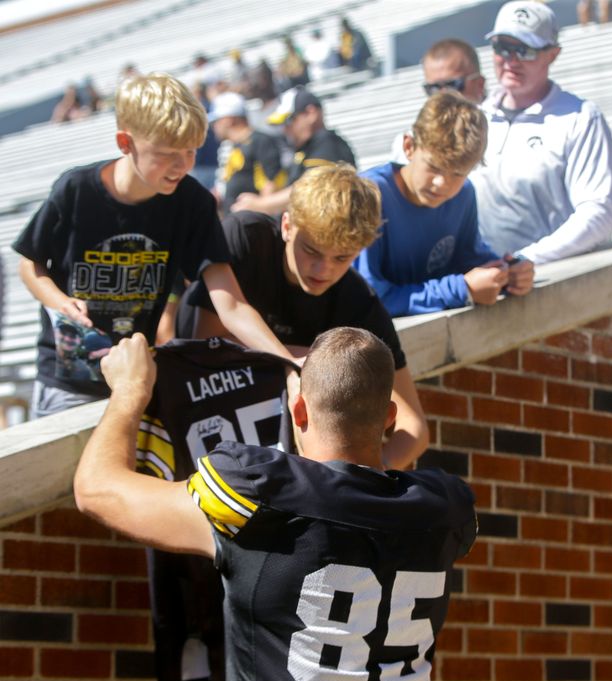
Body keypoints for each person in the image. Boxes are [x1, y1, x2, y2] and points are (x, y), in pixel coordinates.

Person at [74, 326, 477, 681]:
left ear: (298, 409)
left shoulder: (259, 497)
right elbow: (394, 446)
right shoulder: (443, 510)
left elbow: (96, 489)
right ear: (387, 417)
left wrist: (130, 389)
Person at [13, 72, 296, 417]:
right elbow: (29, 264)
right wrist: (60, 303)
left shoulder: (193, 203)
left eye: (191, 151)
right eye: (165, 153)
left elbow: (231, 304)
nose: (181, 165)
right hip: (70, 379)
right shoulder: (75, 190)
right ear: (125, 142)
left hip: (136, 374)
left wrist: (288, 359)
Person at [177, 163, 429, 467]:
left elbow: (413, 429)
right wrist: (298, 359)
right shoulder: (246, 238)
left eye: (341, 257)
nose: (324, 270)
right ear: (287, 226)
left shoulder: (358, 301)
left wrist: (359, 483)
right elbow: (207, 347)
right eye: (311, 250)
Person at [356, 91, 535, 316]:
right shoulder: (368, 196)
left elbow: (468, 259)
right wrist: (461, 290)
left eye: (457, 174)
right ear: (409, 146)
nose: (442, 184)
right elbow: (368, 298)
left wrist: (509, 273)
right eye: (434, 167)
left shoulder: (464, 195)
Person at [471, 0, 612, 264]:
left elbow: (599, 211)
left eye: (525, 50)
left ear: (553, 54)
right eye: (502, 48)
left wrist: (525, 261)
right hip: (487, 282)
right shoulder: (475, 117)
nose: (511, 61)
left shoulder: (580, 118)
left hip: (552, 283)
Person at [231, 86, 355, 216]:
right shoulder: (309, 147)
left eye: (289, 121)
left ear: (311, 113)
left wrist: (261, 205)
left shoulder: (327, 142)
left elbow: (314, 188)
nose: (285, 129)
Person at [391, 38, 486, 164]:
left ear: (479, 84)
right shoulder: (410, 141)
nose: (442, 96)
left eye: (452, 85)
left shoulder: (500, 130)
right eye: (433, 88)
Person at [208, 91, 286, 213]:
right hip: (235, 220)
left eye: (216, 121)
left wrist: (262, 212)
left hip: (253, 223)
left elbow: (272, 182)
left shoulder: (260, 141)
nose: (213, 127)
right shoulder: (232, 146)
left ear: (229, 120)